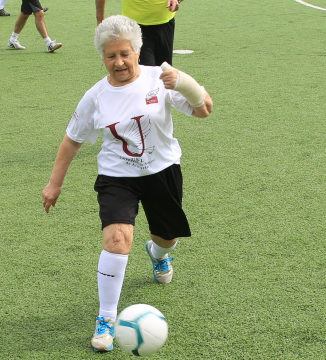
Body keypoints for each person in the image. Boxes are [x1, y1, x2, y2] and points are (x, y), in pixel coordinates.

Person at [42, 15, 212, 352]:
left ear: (136, 51)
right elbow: (71, 141)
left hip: (162, 171)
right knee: (117, 239)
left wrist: (185, 83)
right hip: (117, 176)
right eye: (110, 56)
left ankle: (158, 254)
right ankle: (106, 317)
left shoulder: (160, 77)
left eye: (124, 53)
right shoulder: (95, 96)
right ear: (102, 58)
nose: (118, 62)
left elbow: (204, 110)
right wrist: (54, 184)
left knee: (168, 236)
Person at [96, 0, 182, 66]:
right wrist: (100, 18)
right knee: (146, 71)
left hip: (166, 23)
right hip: (135, 27)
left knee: (165, 70)